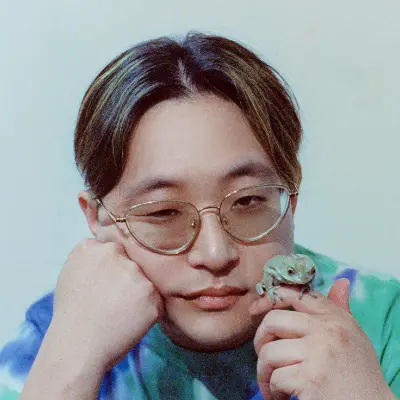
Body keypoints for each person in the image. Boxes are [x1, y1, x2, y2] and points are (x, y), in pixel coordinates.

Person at [0, 32, 399, 400]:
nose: (215, 254)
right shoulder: (57, 338)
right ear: (99, 219)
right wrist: (69, 367)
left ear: (290, 199)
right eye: (164, 212)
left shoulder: (380, 323)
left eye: (247, 202)